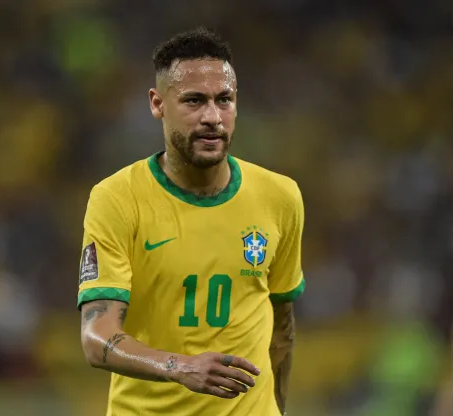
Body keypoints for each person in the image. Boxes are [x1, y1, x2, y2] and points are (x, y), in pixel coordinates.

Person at [77, 27, 306, 416]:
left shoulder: (280, 196)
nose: (212, 117)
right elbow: (96, 337)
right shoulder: (117, 198)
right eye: (194, 101)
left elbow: (281, 328)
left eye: (224, 100)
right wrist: (180, 366)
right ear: (157, 104)